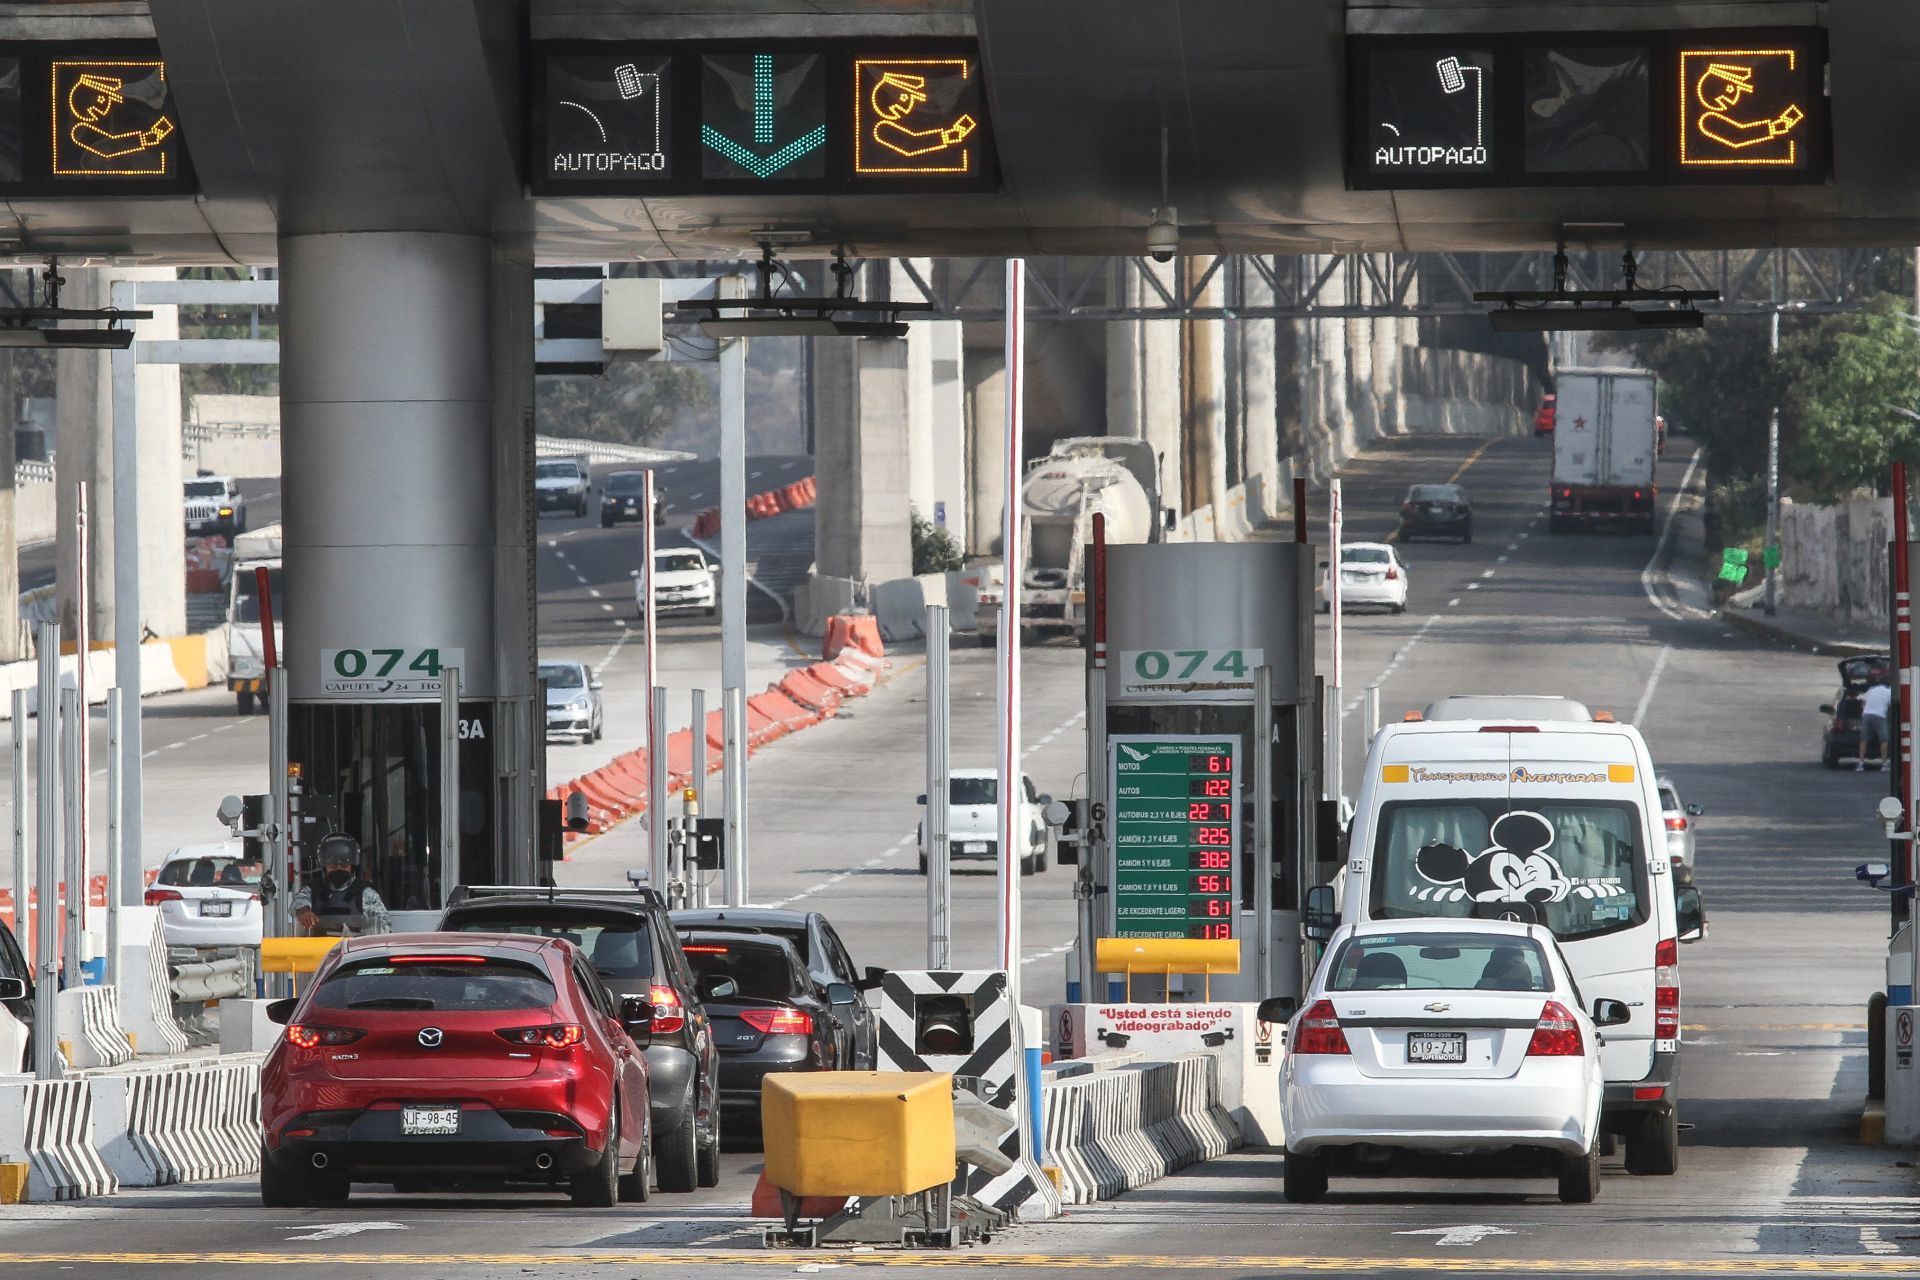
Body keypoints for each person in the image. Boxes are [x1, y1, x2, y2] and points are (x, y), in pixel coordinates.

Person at [290, 833, 391, 936]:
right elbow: (297, 904)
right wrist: (303, 911)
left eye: (344, 866)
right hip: (319, 949)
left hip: (354, 949)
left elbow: (384, 927)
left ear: (352, 866)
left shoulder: (366, 893)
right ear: (325, 866)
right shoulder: (310, 890)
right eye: (333, 866)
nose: (339, 869)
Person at [1857, 674, 1893, 773]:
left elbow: (1861, 700)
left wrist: (1864, 709)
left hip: (1867, 715)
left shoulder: (1871, 689)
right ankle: (1884, 764)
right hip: (1880, 716)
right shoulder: (1889, 692)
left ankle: (1860, 764)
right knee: (1884, 740)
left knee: (1864, 740)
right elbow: (1892, 706)